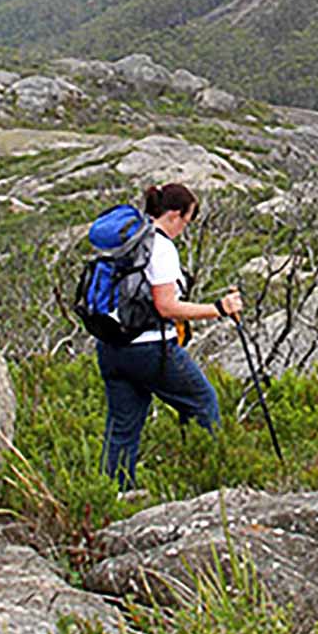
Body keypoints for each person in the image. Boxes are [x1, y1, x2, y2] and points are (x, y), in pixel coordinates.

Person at [97, 181, 243, 490]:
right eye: (186, 222)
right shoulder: (159, 246)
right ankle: (207, 484)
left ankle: (114, 495)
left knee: (123, 426)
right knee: (202, 402)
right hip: (150, 349)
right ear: (175, 215)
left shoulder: (125, 242)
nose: (184, 229)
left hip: (111, 347)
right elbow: (166, 306)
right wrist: (219, 308)